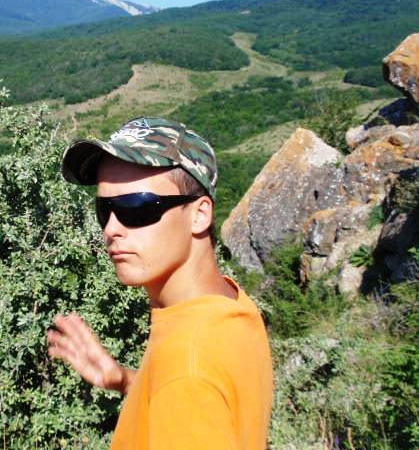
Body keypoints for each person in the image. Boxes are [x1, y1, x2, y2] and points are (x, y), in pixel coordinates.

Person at [47, 117, 273, 449]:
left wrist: (174, 381)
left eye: (136, 207)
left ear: (199, 215)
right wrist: (127, 380)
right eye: (104, 210)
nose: (111, 229)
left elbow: (189, 386)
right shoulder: (229, 305)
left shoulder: (188, 368)